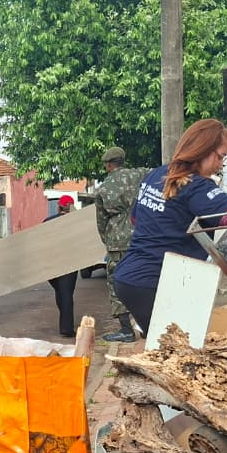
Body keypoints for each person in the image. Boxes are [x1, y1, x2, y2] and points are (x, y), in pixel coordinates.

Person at [113, 119, 227, 337]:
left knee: (165, 348)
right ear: (202, 149)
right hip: (155, 283)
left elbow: (135, 220)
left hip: (128, 278)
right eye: (220, 156)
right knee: (181, 350)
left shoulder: (157, 175)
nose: (221, 164)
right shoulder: (197, 186)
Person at [95, 146, 147, 343]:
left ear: (108, 165)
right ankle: (147, 326)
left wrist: (107, 241)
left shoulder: (104, 188)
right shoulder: (140, 175)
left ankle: (126, 330)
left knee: (117, 283)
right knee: (145, 279)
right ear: (123, 160)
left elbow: (101, 221)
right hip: (143, 235)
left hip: (117, 241)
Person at [44, 195, 79, 337]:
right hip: (69, 264)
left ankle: (65, 322)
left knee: (60, 292)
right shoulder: (76, 223)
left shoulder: (47, 221)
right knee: (66, 294)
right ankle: (67, 328)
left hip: (51, 264)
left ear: (59, 206)